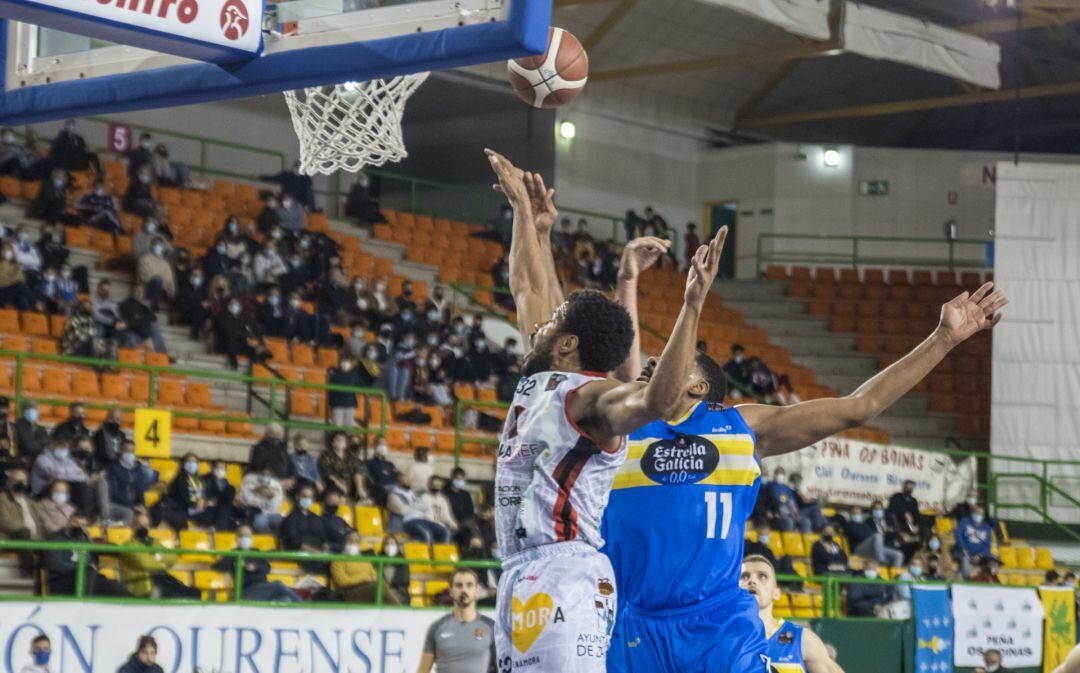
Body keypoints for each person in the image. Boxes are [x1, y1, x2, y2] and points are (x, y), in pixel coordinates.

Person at [599, 223, 1007, 673]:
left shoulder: (742, 427)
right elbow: (623, 369)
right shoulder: (633, 423)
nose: (651, 370)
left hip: (717, 626)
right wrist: (628, 279)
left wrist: (944, 338)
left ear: (696, 384)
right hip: (635, 622)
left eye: (664, 365)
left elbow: (860, 406)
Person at [486, 149, 722, 673]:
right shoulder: (544, 374)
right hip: (519, 571)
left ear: (568, 343)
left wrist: (691, 306)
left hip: (565, 573)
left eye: (552, 326)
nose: (539, 324)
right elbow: (527, 284)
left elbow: (656, 401)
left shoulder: (592, 399)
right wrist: (530, 219)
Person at [740, 556, 845, 673]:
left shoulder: (802, 640)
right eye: (744, 576)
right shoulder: (720, 638)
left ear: (776, 593)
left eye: (762, 576)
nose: (752, 581)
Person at [416, 568, 496, 673]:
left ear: (477, 591)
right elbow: (423, 669)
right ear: (451, 591)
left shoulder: (490, 627)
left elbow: (502, 666)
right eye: (459, 585)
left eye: (469, 585)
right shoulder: (437, 627)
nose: (463, 590)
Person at [43, 513, 130, 596]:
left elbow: (96, 551)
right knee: (91, 576)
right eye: (75, 522)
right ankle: (84, 607)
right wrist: (83, 567)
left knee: (114, 586)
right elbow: (55, 564)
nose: (78, 526)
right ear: (68, 522)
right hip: (64, 579)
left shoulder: (83, 538)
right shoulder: (55, 539)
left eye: (82, 525)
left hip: (90, 577)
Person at [212, 525, 302, 602]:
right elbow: (217, 565)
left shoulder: (257, 552)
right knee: (278, 585)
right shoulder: (233, 554)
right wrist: (235, 564)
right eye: (242, 536)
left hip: (263, 588)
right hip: (246, 591)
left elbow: (267, 568)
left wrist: (255, 567)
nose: (245, 538)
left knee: (283, 600)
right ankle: (304, 607)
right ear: (237, 538)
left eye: (247, 536)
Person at [119, 516, 200, 599]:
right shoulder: (129, 545)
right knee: (174, 596)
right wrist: (161, 561)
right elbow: (145, 563)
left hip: (161, 580)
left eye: (145, 525)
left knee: (194, 593)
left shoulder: (154, 543)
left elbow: (172, 558)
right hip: (142, 585)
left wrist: (153, 557)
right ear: (133, 528)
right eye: (139, 525)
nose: (142, 528)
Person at [387, 473, 450, 544]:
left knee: (445, 532)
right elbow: (402, 510)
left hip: (422, 519)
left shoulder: (412, 494)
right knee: (427, 533)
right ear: (398, 482)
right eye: (405, 481)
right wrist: (416, 506)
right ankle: (428, 554)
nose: (408, 482)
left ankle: (442, 554)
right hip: (408, 521)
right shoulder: (393, 496)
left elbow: (424, 507)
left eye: (408, 480)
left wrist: (410, 505)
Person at [104, 441, 156, 525]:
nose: (130, 454)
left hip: (134, 506)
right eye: (127, 451)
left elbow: (140, 489)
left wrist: (142, 506)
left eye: (132, 451)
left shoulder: (138, 469)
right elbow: (113, 493)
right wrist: (132, 506)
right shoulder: (113, 468)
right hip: (119, 505)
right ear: (121, 451)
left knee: (145, 518)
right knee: (130, 514)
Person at [332, 530, 390, 603]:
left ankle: (397, 611)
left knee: (383, 587)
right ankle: (399, 611)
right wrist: (364, 579)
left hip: (367, 589)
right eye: (350, 540)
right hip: (349, 593)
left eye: (356, 541)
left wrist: (367, 580)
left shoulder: (364, 560)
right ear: (344, 543)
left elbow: (375, 577)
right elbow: (342, 581)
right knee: (377, 588)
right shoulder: (338, 560)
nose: (353, 543)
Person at [151, 454, 206, 531]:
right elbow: (184, 498)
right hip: (180, 509)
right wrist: (196, 504)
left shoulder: (199, 481)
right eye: (189, 462)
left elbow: (202, 497)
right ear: (184, 464)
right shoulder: (180, 479)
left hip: (193, 510)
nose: (192, 464)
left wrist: (204, 503)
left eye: (194, 462)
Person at [280, 485, 328, 572]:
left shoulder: (317, 518)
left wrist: (325, 551)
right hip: (301, 555)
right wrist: (316, 554)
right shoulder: (290, 519)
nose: (307, 499)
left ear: (313, 500)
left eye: (310, 497)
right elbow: (293, 542)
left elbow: (324, 539)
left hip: (319, 553)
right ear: (298, 497)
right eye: (304, 496)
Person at [844, 503, 904, 568]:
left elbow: (870, 534)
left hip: (871, 549)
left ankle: (894, 575)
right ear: (850, 514)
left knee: (898, 555)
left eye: (859, 513)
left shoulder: (864, 525)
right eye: (854, 513)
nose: (857, 515)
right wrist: (871, 536)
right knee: (877, 535)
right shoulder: (849, 525)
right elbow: (860, 536)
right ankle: (881, 560)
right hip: (858, 550)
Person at [319, 432, 370, 503]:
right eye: (337, 440)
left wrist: (359, 487)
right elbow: (327, 472)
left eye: (342, 440)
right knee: (333, 487)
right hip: (335, 483)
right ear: (332, 442)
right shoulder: (326, 455)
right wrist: (340, 484)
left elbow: (357, 470)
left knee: (369, 487)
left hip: (349, 484)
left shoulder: (351, 457)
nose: (340, 442)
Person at [119, 287, 167, 353]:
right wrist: (142, 319)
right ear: (132, 292)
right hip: (132, 332)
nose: (139, 293)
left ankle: (162, 355)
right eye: (137, 291)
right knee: (129, 340)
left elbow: (153, 317)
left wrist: (140, 318)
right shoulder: (125, 304)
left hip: (142, 331)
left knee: (154, 328)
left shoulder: (142, 306)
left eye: (141, 292)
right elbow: (130, 320)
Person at [237, 468, 285, 533]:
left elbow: (275, 507)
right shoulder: (249, 480)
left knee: (284, 521)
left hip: (272, 513)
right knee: (260, 522)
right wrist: (256, 490)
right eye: (263, 474)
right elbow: (246, 501)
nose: (265, 476)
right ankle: (268, 539)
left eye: (268, 475)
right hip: (256, 513)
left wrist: (271, 497)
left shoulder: (276, 485)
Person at [136, 237, 176, 311]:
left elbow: (169, 281)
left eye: (160, 245)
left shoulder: (165, 264)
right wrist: (160, 280)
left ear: (163, 248)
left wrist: (170, 291)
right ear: (151, 245)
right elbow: (145, 277)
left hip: (162, 290)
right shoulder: (144, 259)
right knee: (157, 280)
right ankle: (153, 305)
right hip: (147, 288)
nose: (158, 247)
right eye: (155, 244)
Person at [954, 505, 994, 578]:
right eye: (976, 512)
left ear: (983, 516)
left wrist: (979, 555)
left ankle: (987, 581)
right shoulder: (965, 521)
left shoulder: (986, 528)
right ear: (972, 513)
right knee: (965, 558)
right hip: (962, 552)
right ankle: (967, 580)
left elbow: (987, 546)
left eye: (980, 513)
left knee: (993, 561)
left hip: (978, 555)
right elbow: (958, 536)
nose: (978, 515)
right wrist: (964, 550)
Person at [327, 355, 363, 427]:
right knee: (337, 428)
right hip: (337, 405)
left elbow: (361, 385)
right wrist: (331, 404)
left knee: (347, 428)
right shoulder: (335, 375)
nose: (345, 363)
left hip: (350, 405)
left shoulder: (355, 375)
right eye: (343, 361)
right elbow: (330, 392)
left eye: (347, 362)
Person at [202, 460, 238, 531]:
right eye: (217, 468)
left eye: (222, 469)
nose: (220, 471)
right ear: (212, 469)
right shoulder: (205, 481)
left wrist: (217, 502)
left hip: (222, 510)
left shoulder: (229, 487)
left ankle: (220, 529)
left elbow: (228, 500)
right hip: (208, 510)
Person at [365, 437, 399, 506]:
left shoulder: (390, 464)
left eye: (385, 445)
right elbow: (370, 481)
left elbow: (397, 477)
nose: (383, 447)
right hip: (381, 489)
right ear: (375, 446)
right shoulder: (369, 463)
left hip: (395, 489)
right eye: (380, 444)